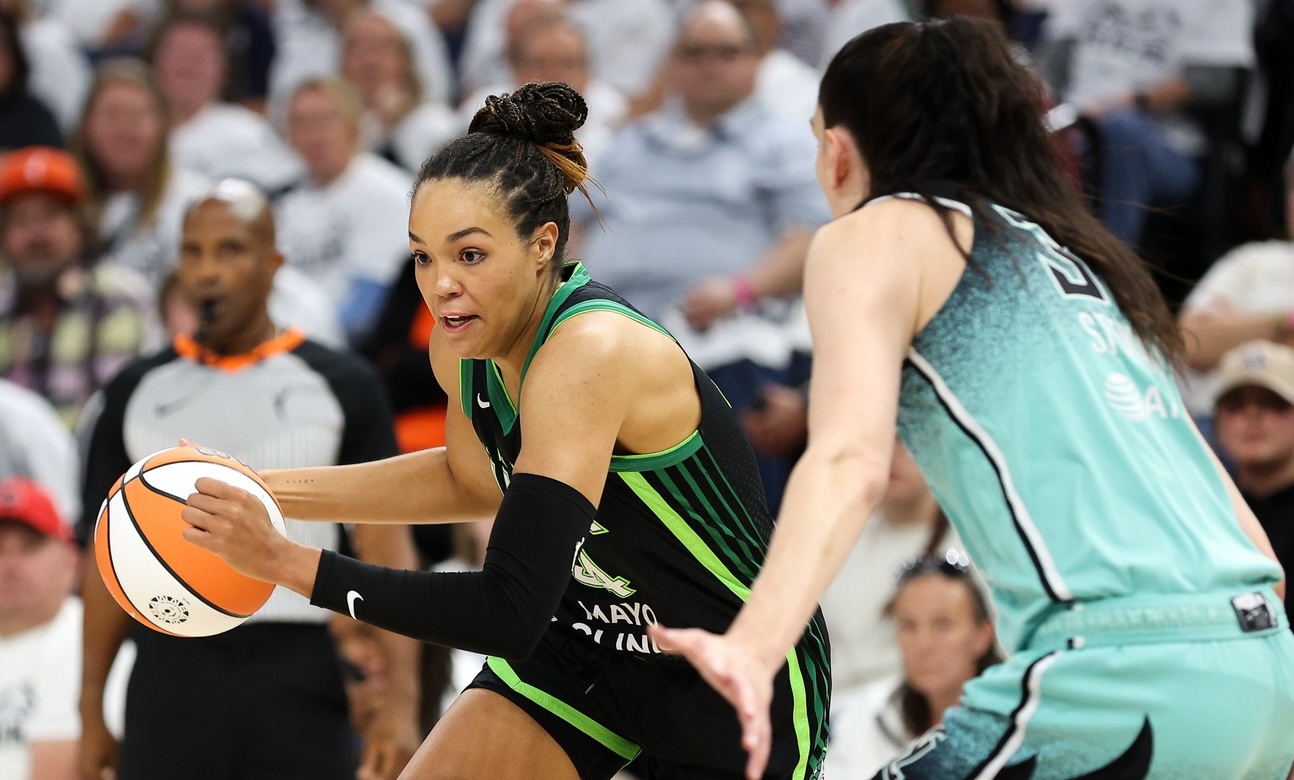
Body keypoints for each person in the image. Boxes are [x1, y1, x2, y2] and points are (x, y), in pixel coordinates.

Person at [649, 17, 1294, 780]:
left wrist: (751, 648)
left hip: (1118, 675)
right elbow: (1254, 547)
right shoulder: (1083, 273)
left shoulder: (879, 230)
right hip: (1262, 672)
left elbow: (851, 458)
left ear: (840, 151)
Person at [177, 81, 830, 779]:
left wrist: (282, 562)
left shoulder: (590, 354)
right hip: (582, 646)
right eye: (424, 256)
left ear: (543, 243)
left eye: (470, 255)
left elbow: (509, 608)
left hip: (724, 669)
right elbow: (468, 477)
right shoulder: (461, 347)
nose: (441, 284)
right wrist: (256, 487)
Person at [77, 179, 422, 780]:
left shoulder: (343, 383)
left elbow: (386, 547)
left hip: (300, 664)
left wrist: (402, 700)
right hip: (168, 666)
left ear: (273, 264)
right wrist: (89, 714)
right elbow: (103, 559)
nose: (208, 270)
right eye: (193, 251)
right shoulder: (133, 390)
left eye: (230, 250)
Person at [573, 0, 828, 512]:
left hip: (716, 330)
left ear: (755, 61)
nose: (709, 64)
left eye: (726, 52)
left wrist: (739, 290)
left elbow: (813, 237)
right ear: (673, 62)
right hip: (610, 331)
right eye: (694, 52)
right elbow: (575, 230)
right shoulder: (630, 143)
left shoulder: (781, 140)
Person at [0, 145, 160, 429]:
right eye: (21, 220)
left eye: (50, 216)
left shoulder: (120, 298)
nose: (36, 234)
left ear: (81, 225)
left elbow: (122, 420)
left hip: (97, 470)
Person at [825, 549, 1001, 779]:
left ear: (983, 635)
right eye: (909, 625)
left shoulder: (1024, 727)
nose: (923, 644)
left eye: (943, 624)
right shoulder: (856, 721)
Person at [0, 477, 80, 780]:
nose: (11, 565)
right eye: (0, 549)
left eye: (29, 547)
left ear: (71, 561)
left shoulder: (85, 643)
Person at [1211, 340, 1294, 630]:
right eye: (1236, 406)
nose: (1252, 416)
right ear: (1217, 421)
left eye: (1273, 404)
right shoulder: (1204, 506)